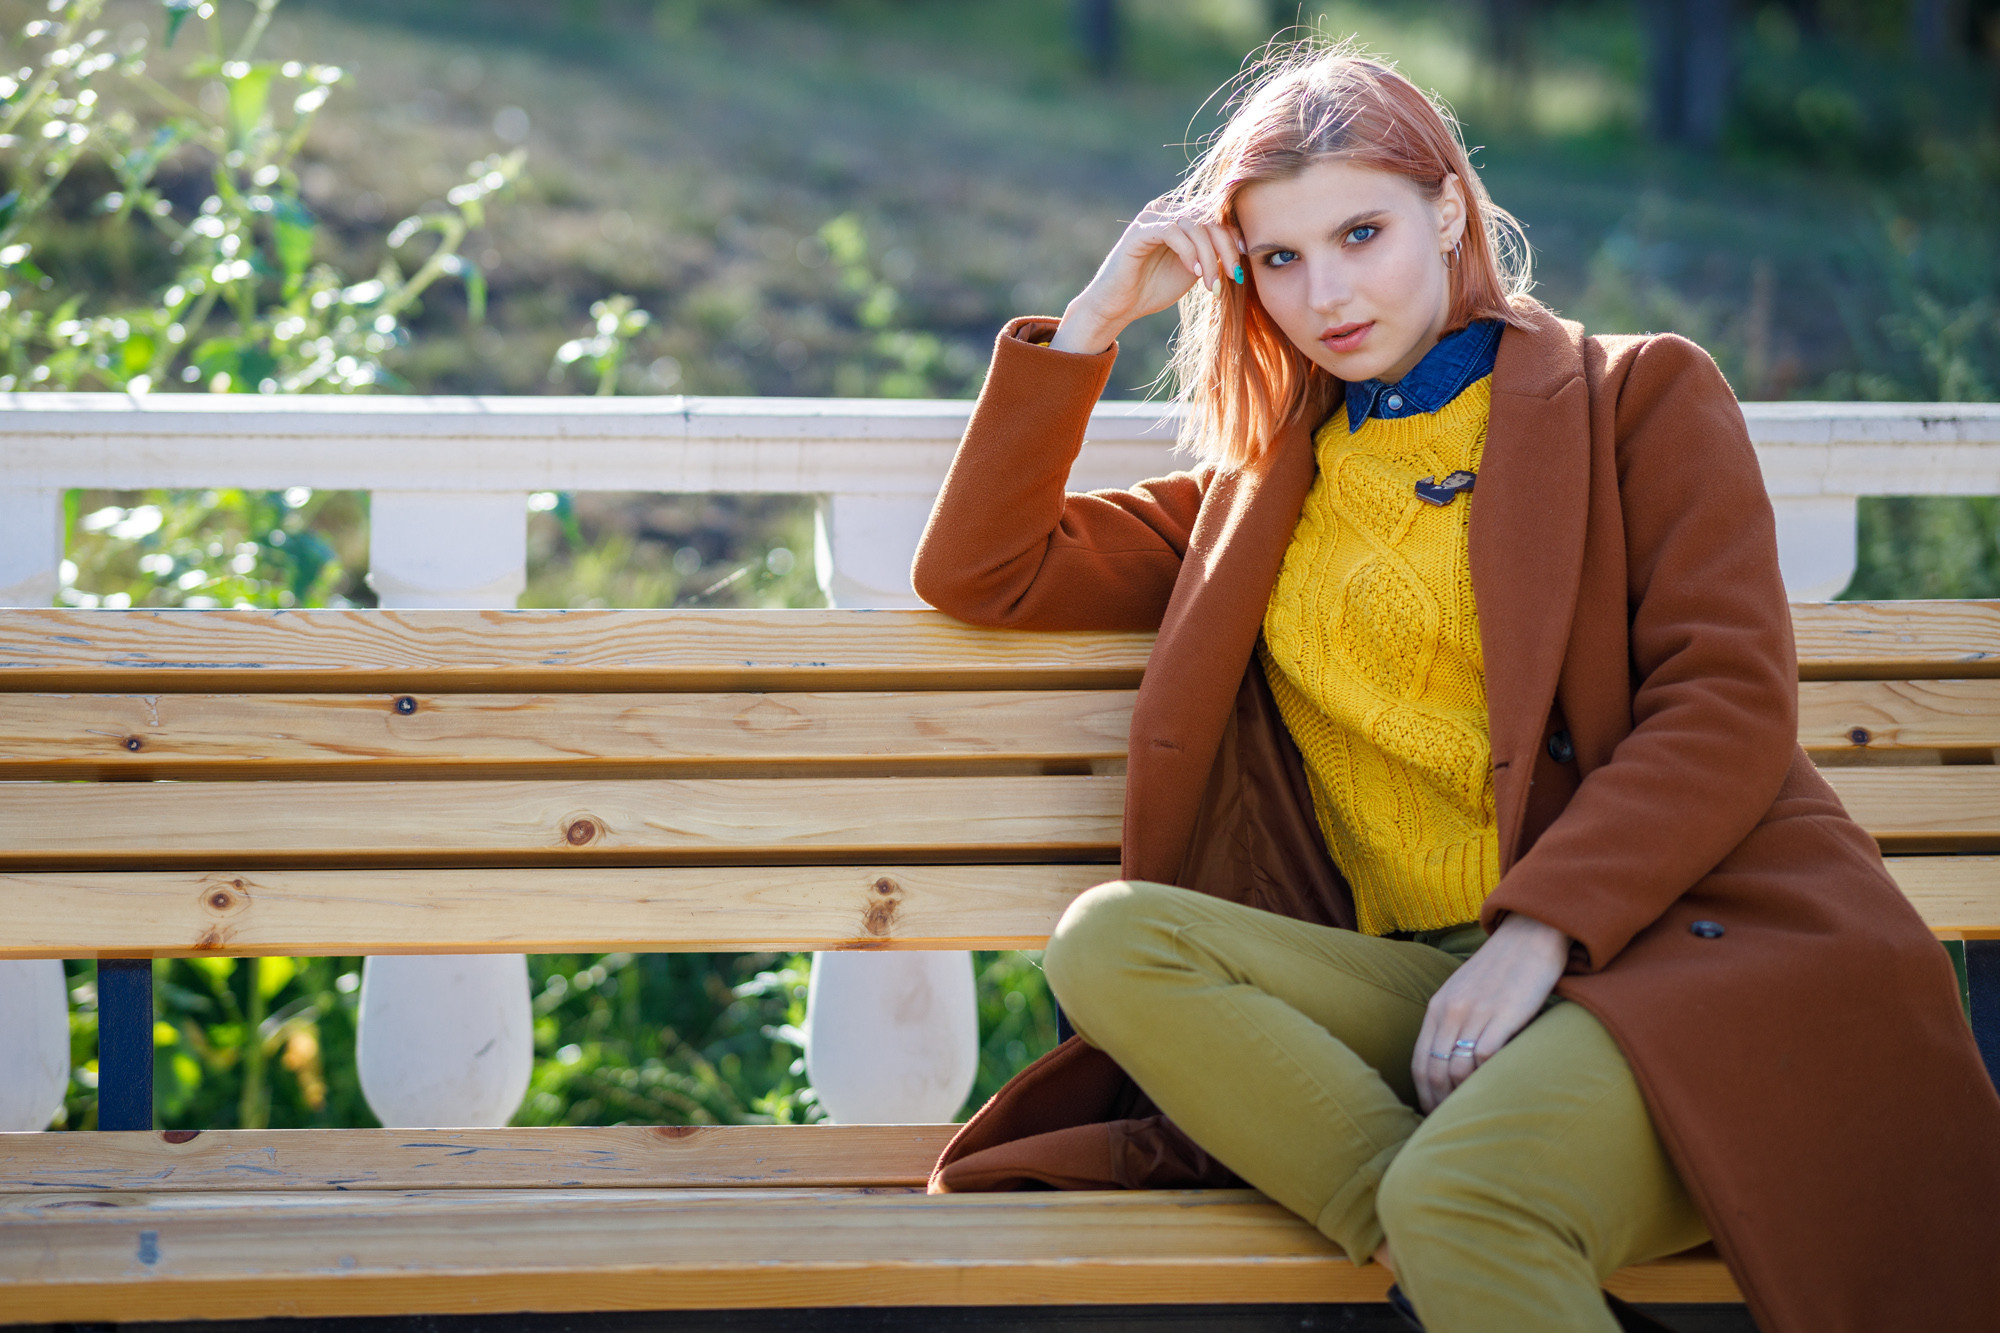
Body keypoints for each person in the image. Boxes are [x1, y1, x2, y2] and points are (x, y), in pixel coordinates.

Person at [911, 39, 2000, 1333]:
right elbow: (983, 569)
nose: (1328, 292)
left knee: (1468, 1200)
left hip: (1675, 956)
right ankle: (1461, 1231)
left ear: (1447, 209)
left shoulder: (1636, 399)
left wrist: (1538, 930)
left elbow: (1727, 707)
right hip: (1420, 983)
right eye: (1281, 258)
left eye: (1362, 231)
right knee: (1115, 939)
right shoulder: (1258, 492)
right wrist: (1091, 320)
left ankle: (1470, 1220)